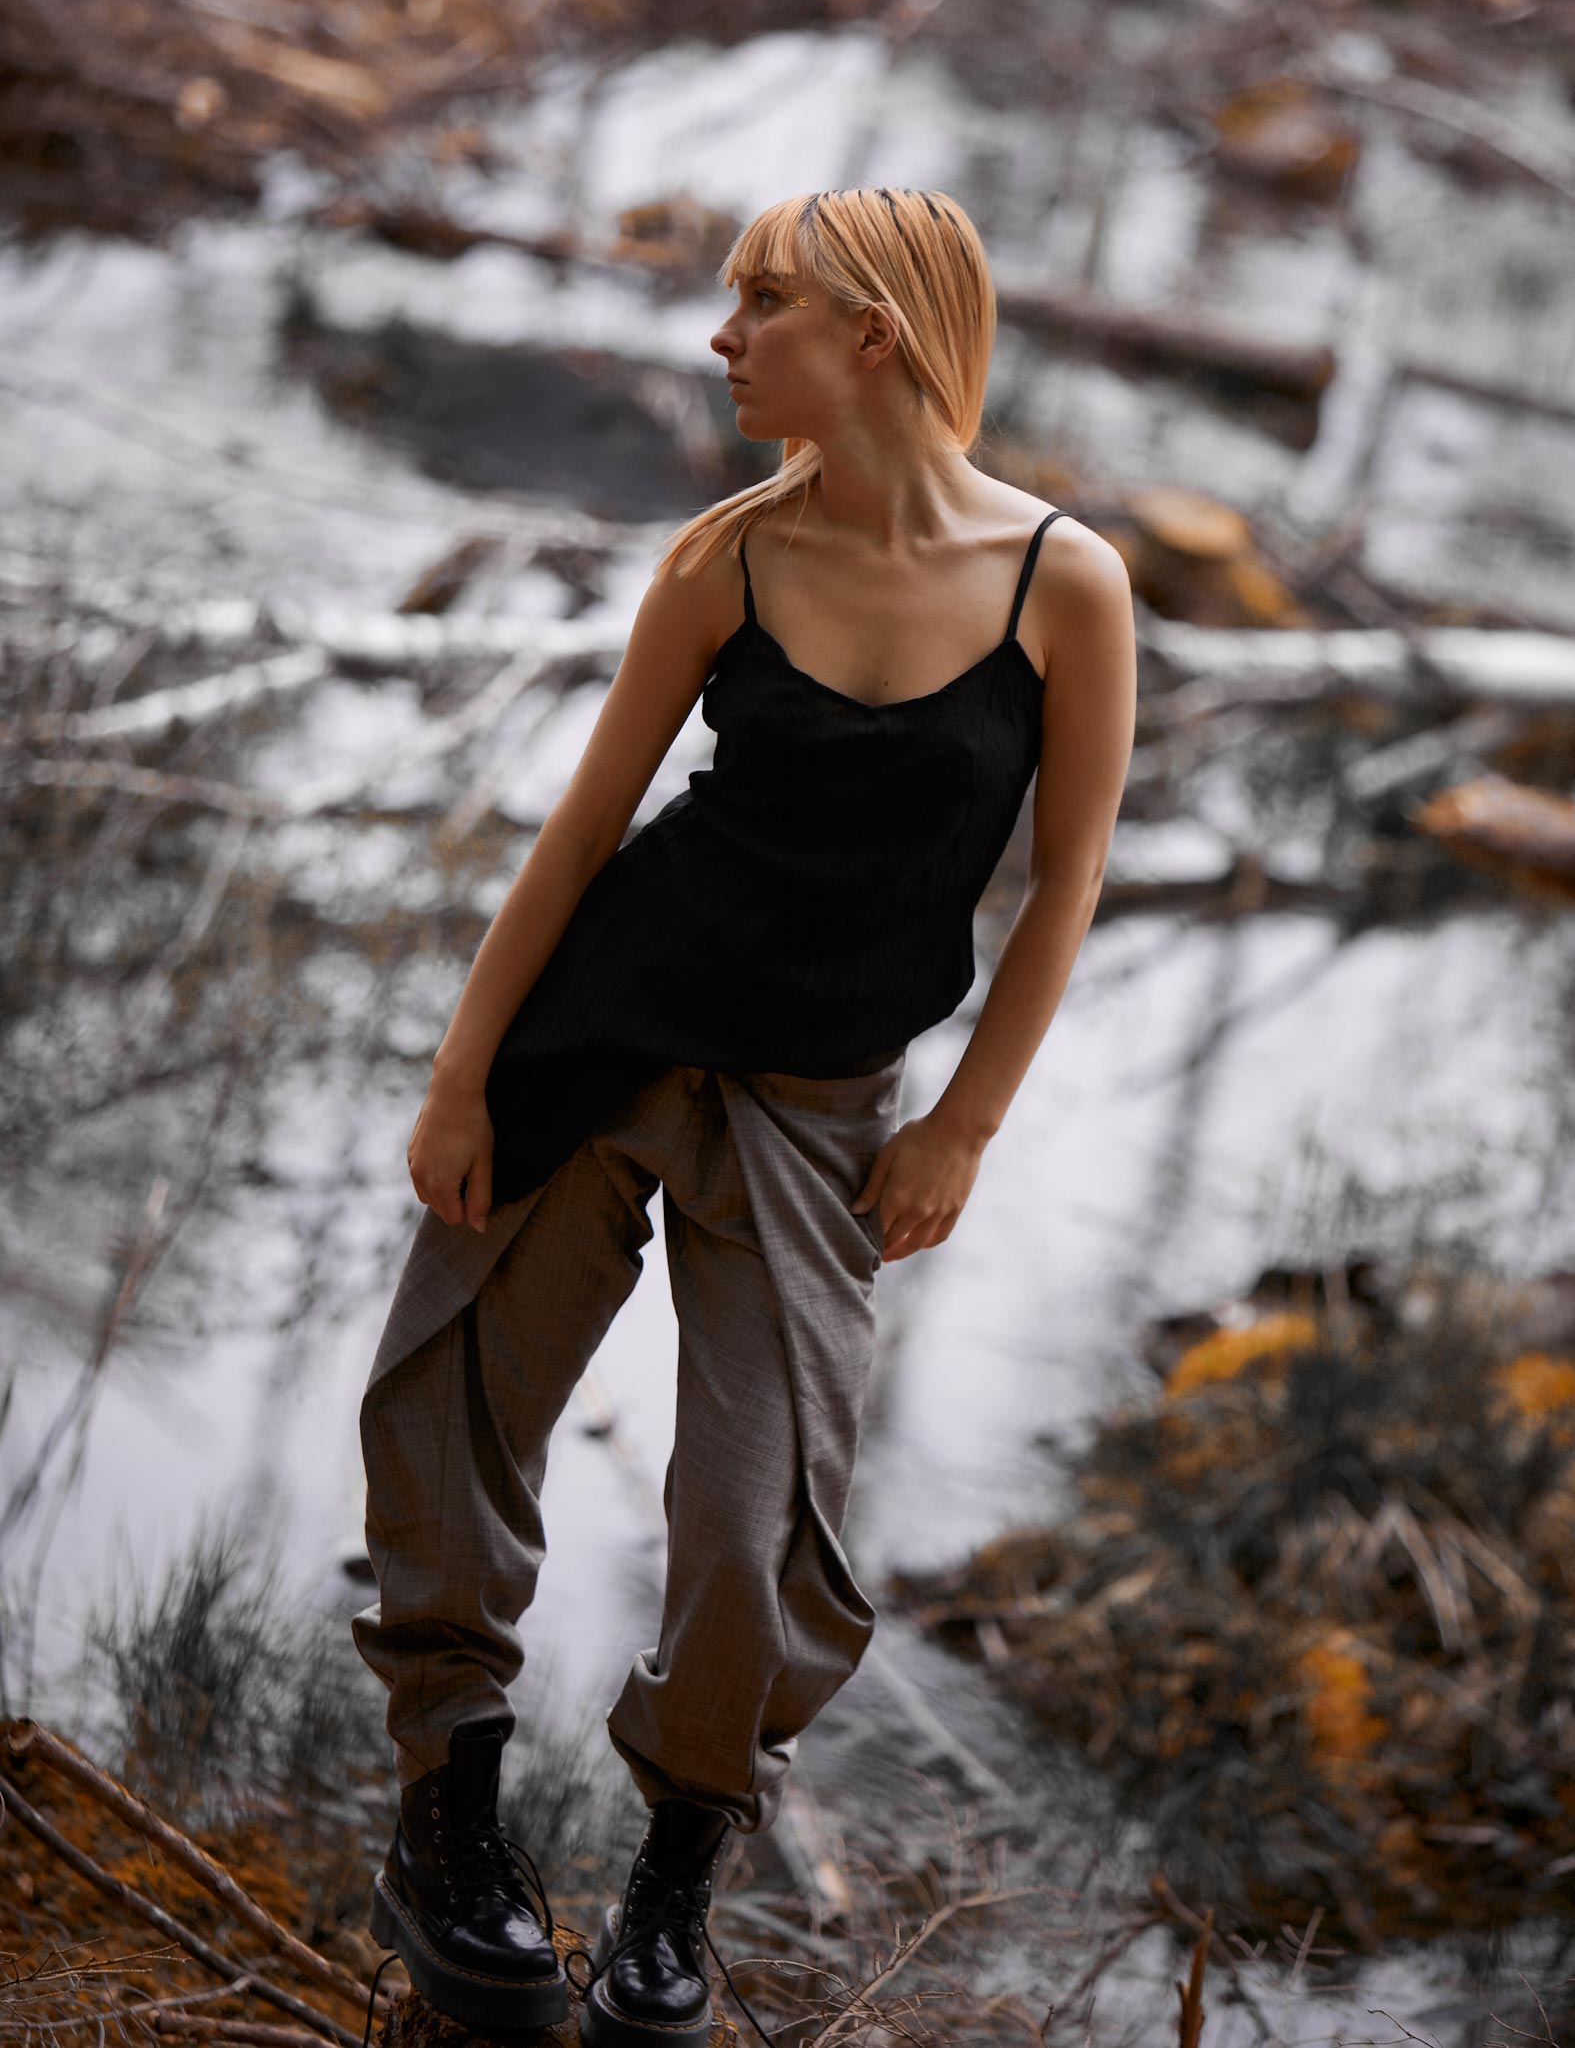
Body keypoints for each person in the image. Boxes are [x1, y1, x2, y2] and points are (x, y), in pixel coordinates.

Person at [351, 186, 1136, 2048]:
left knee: (758, 1513)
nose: (722, 339)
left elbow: (1065, 884)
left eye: (759, 303)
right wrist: (463, 1073)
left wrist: (964, 1126)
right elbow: (583, 832)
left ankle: (674, 1877)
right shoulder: (724, 557)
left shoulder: (1065, 583)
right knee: (455, 1408)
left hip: (817, 1107)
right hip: (599, 1038)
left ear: (873, 330)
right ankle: (448, 1821)